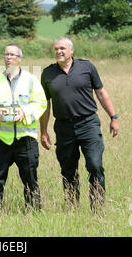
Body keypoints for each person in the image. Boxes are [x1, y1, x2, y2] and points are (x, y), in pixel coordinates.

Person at [40, 37, 119, 211]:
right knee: (68, 170)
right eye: (56, 49)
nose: (59, 52)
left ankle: (97, 208)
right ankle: (72, 208)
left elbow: (101, 93)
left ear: (71, 51)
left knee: (95, 164)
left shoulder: (87, 67)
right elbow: (45, 104)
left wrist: (113, 117)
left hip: (88, 123)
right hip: (63, 127)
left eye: (62, 48)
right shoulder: (47, 73)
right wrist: (43, 131)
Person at [0, 44, 47, 214]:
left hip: (25, 140)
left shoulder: (31, 80)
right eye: (6, 55)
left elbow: (41, 103)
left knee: (30, 180)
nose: (9, 57)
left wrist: (24, 113)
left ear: (20, 58)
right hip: (1, 140)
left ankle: (33, 214)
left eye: (12, 55)